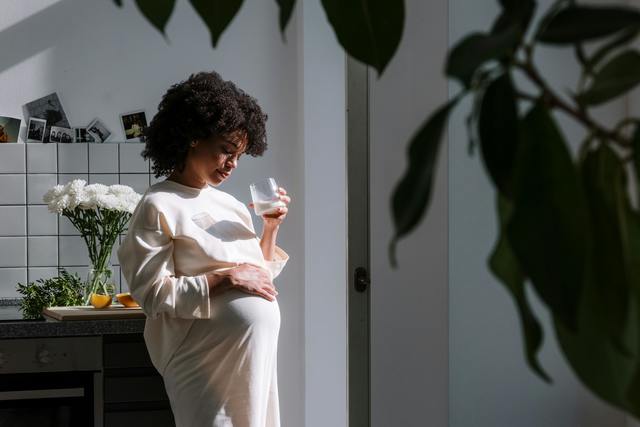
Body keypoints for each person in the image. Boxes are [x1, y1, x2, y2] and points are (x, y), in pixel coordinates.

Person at [117, 70, 291, 427]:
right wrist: (225, 279)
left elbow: (257, 276)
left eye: (240, 156)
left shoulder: (230, 205)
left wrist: (270, 228)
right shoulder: (158, 204)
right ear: (193, 137)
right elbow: (153, 294)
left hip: (253, 361)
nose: (232, 165)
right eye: (226, 151)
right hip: (202, 360)